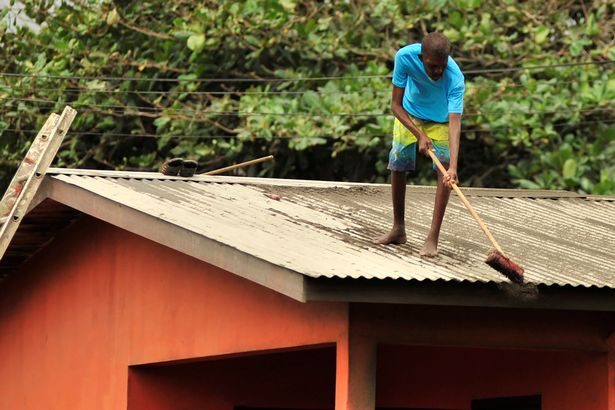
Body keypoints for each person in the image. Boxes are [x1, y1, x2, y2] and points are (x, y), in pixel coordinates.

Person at [375, 32, 465, 257]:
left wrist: (453, 167)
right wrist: (418, 134)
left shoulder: (455, 78)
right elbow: (395, 105)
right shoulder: (404, 57)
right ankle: (398, 229)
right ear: (420, 57)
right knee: (398, 162)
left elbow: (455, 123)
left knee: (444, 171)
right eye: (433, 66)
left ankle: (432, 238)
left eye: (442, 66)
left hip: (440, 120)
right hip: (410, 114)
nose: (438, 72)